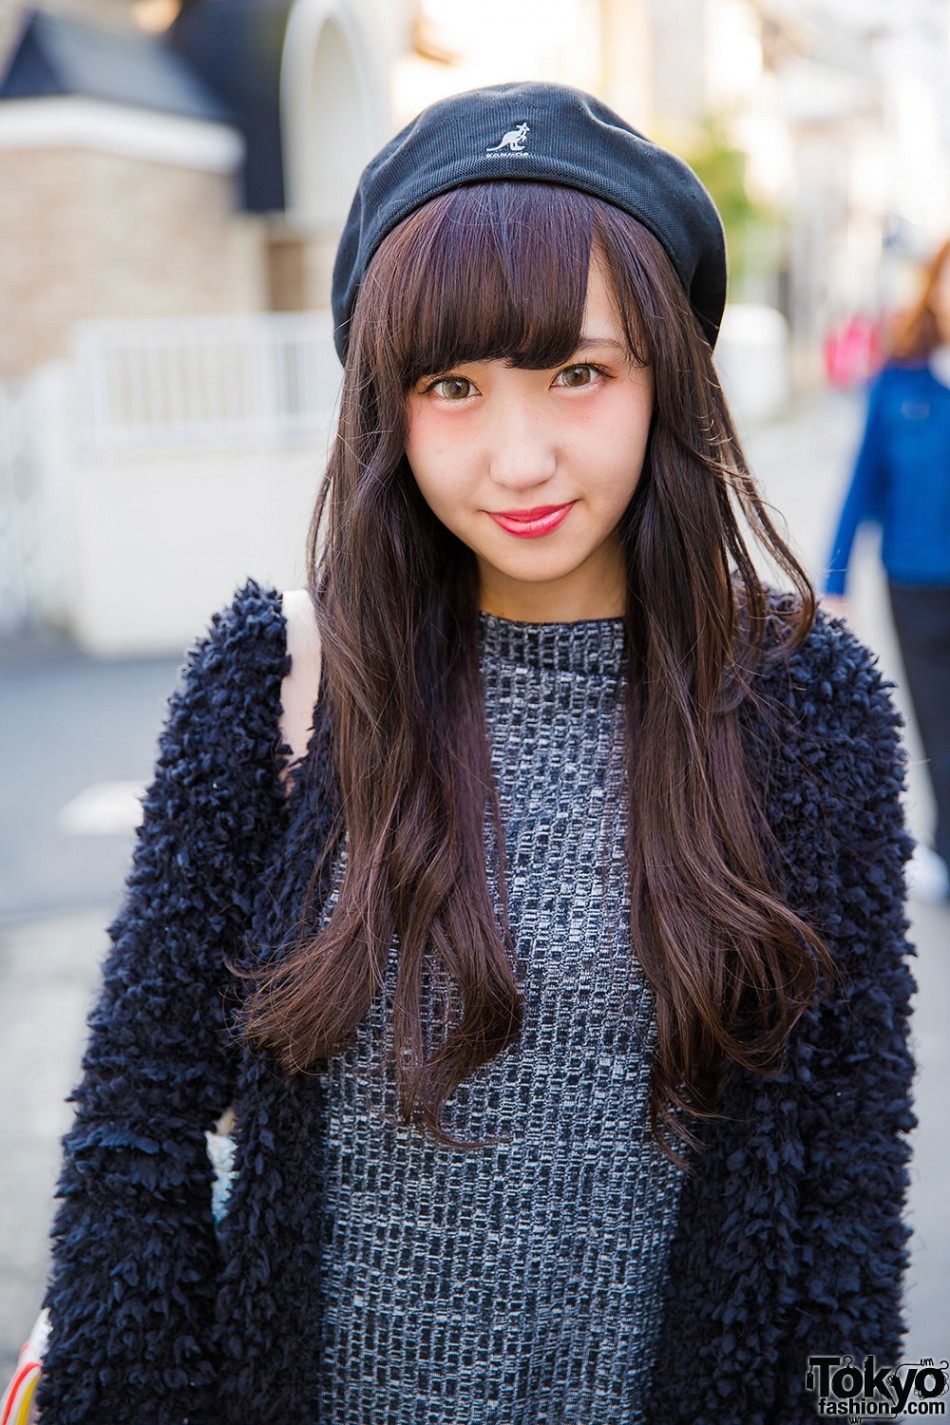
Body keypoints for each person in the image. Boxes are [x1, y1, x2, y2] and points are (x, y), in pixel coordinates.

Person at [31, 83, 915, 1424]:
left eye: (576, 373)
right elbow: (133, 1144)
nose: (518, 456)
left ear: (663, 378)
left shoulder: (804, 706)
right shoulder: (278, 686)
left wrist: (873, 1411)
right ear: (387, 406)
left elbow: (850, 1205)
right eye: (452, 386)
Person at [825, 236, 950, 893]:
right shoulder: (897, 382)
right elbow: (861, 487)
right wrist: (835, 580)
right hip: (915, 582)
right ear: (934, 289)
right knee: (936, 720)